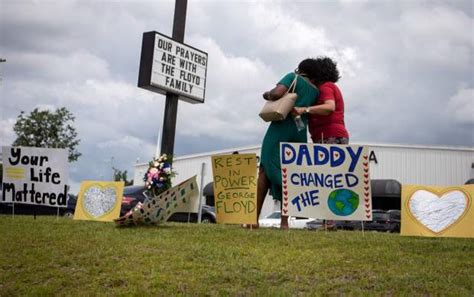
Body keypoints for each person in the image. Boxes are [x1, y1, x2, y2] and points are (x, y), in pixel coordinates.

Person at [257, 59, 320, 229]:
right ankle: (284, 222)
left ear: (301, 69)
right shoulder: (315, 91)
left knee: (264, 168)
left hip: (281, 126)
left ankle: (252, 219)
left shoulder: (293, 77)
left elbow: (277, 94)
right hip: (300, 131)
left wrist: (267, 94)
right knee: (290, 173)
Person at [293, 57, 349, 144]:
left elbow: (329, 107)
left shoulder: (326, 87)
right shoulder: (326, 88)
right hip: (330, 135)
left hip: (330, 135)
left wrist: (303, 109)